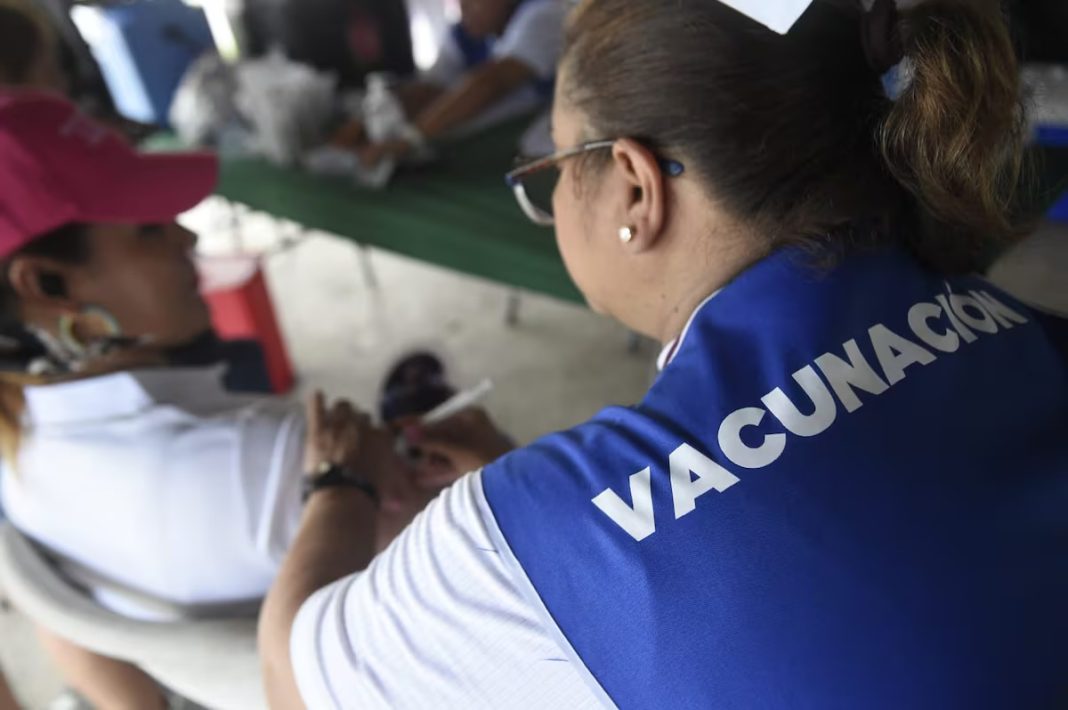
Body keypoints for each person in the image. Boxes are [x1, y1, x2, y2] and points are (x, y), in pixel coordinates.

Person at [261, 0, 1068, 707]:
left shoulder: (550, 525)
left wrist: (341, 479)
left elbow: (292, 681)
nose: (551, 199)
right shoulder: (1028, 329)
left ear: (636, 189)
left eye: (554, 165)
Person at [0, 91, 441, 707]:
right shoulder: (285, 462)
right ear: (49, 286)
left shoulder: (19, 452)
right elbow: (469, 551)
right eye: (148, 230)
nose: (185, 236)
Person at [334, 0, 568, 166]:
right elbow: (430, 88)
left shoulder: (545, 14)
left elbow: (492, 82)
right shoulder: (465, 32)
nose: (463, 7)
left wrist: (410, 139)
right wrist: (367, 118)